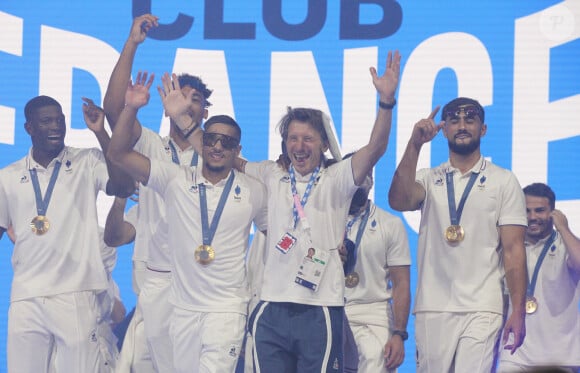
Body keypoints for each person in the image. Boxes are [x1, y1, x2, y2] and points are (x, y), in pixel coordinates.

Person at [221, 50, 400, 372]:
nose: (299, 146)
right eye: (293, 138)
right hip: (271, 306)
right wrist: (186, 124)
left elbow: (375, 149)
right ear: (284, 142)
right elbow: (225, 157)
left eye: (308, 138)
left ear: (323, 144)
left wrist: (386, 103)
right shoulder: (270, 173)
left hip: (320, 308)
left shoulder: (338, 178)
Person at [107, 71, 267, 372]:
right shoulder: (165, 164)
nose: (218, 146)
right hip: (165, 284)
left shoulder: (243, 183)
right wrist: (131, 106)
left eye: (195, 99)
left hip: (219, 297)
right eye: (181, 97)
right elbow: (116, 144)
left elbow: (277, 227)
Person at [103, 13, 212, 372]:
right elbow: (114, 109)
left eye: (195, 99)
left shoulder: (218, 156)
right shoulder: (149, 146)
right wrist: (132, 43)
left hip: (202, 283)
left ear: (204, 111)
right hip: (156, 283)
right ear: (167, 100)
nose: (187, 102)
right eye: (181, 95)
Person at [388, 97, 528, 372]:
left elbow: (513, 251)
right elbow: (398, 200)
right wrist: (415, 144)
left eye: (470, 120)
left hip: (483, 305)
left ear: (483, 129)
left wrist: (518, 310)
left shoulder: (504, 180)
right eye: (454, 120)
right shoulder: (429, 177)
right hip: (433, 306)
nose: (462, 126)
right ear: (444, 129)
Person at [0, 95, 133, 372]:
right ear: (29, 128)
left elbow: (123, 185)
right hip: (26, 297)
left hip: (77, 293)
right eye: (46, 121)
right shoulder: (8, 177)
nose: (55, 127)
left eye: (59, 120)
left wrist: (100, 133)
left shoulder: (88, 161)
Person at [497, 183, 580, 372]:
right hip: (514, 354)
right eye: (526, 211)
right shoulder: (509, 249)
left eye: (540, 210)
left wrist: (564, 228)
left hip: (561, 358)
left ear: (553, 212)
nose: (532, 217)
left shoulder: (564, 245)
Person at [342, 170, 411, 373]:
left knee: (376, 360)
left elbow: (402, 284)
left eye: (363, 177)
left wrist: (399, 334)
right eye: (351, 177)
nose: (356, 183)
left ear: (371, 182)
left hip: (374, 312)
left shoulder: (390, 224)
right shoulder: (324, 222)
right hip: (333, 309)